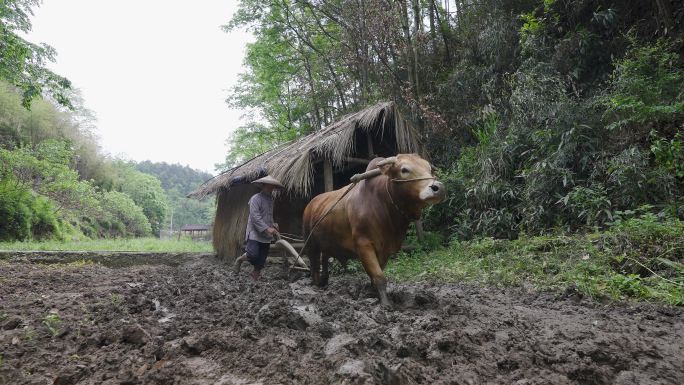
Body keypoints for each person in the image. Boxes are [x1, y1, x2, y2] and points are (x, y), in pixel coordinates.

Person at [233, 175, 284, 280]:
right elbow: (255, 217)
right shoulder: (255, 198)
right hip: (255, 232)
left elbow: (268, 216)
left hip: (266, 234)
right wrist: (267, 228)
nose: (271, 188)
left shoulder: (271, 200)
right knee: (252, 254)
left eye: (273, 186)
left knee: (261, 260)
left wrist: (273, 224)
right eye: (270, 185)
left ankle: (254, 278)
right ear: (263, 185)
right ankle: (240, 259)